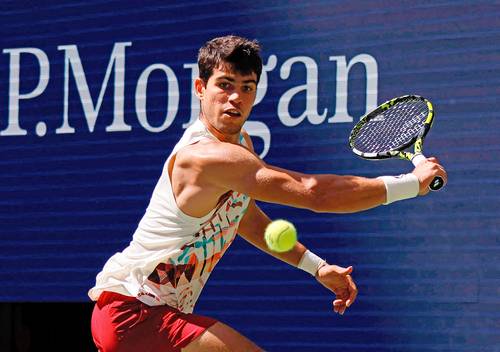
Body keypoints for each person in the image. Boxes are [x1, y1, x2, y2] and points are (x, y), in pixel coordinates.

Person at [89, 35, 447, 352]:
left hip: (142, 315)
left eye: (247, 87)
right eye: (225, 85)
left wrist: (317, 267)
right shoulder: (205, 157)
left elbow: (244, 219)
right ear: (200, 88)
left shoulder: (239, 143)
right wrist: (410, 184)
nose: (235, 98)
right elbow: (314, 193)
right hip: (136, 313)